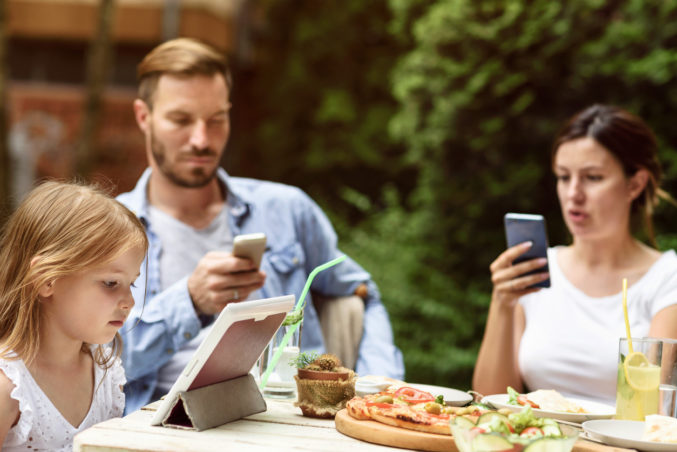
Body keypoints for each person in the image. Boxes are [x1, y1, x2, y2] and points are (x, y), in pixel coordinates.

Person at [117, 37, 404, 413]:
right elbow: (100, 363)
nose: (201, 140)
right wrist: (189, 302)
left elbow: (364, 293)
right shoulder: (111, 229)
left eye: (216, 120)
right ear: (144, 116)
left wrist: (378, 383)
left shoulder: (286, 209)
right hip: (162, 423)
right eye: (181, 120)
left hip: (288, 420)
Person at [473, 104, 677, 405]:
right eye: (564, 176)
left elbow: (651, 413)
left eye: (593, 177)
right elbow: (488, 401)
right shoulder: (537, 270)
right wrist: (502, 303)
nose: (573, 194)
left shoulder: (666, 279)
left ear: (634, 184)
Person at [0, 181, 148, 451]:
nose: (129, 302)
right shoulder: (8, 387)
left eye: (133, 283)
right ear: (47, 280)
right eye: (111, 283)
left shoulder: (106, 373)